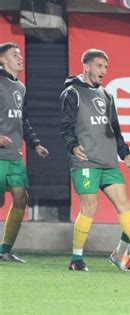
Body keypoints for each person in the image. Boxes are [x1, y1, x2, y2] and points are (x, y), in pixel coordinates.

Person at [60, 48, 130, 271]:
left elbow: (115, 129)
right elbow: (66, 126)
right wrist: (72, 145)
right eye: (99, 66)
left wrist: (125, 153)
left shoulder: (107, 95)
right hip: (86, 161)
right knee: (89, 208)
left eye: (106, 67)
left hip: (108, 161)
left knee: (124, 206)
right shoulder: (72, 93)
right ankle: (76, 258)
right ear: (87, 66)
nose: (103, 71)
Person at [0, 42, 49, 263]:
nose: (20, 57)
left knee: (21, 199)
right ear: (2, 60)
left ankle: (5, 250)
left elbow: (23, 120)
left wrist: (35, 143)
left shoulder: (21, 87)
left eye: (20, 54)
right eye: (14, 54)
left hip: (14, 156)